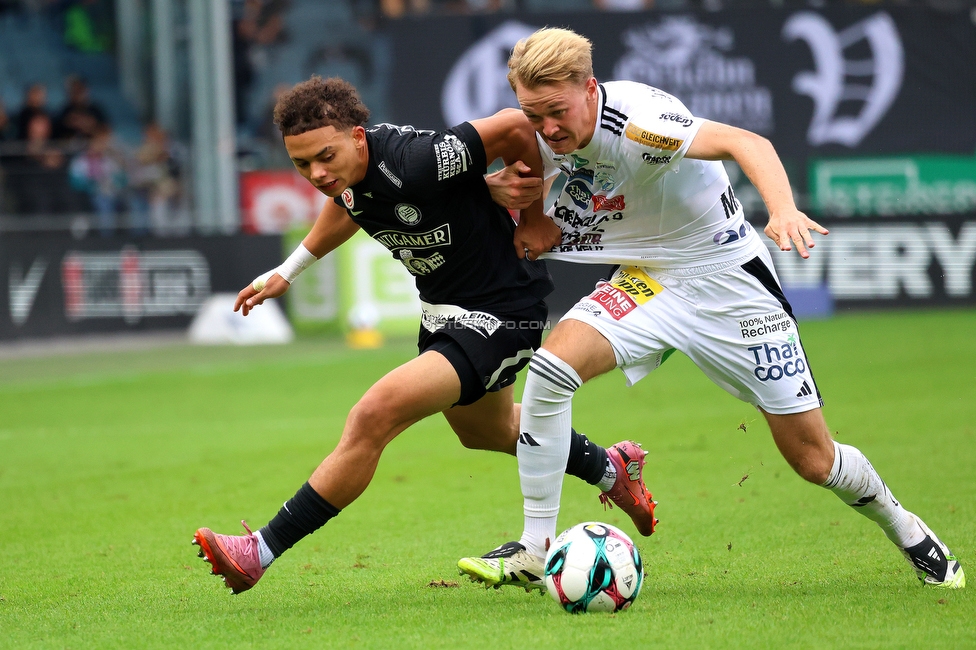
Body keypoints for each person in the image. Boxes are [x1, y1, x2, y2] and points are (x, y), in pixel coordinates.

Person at [458, 27, 965, 591]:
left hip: (729, 285)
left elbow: (749, 143)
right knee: (552, 372)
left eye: (556, 111)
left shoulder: (642, 122)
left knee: (813, 460)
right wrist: (496, 191)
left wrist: (782, 211)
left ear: (590, 88)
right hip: (649, 282)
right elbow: (510, 177)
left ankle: (908, 528)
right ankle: (534, 548)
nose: (548, 129)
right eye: (534, 115)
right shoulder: (537, 134)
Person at [192, 75, 657, 594]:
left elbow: (511, 125)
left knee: (374, 413)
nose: (317, 174)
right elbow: (353, 202)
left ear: (358, 136)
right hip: (443, 312)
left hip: (505, 312)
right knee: (486, 431)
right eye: (302, 165)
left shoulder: (420, 158)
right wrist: (289, 270)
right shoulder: (348, 177)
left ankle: (258, 550)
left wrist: (532, 217)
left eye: (325, 156)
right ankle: (612, 468)